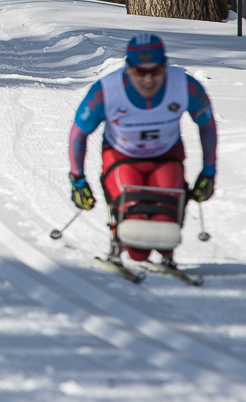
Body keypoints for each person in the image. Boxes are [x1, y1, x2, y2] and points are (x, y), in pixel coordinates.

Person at [66, 33, 217, 267]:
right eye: (140, 72)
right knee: (136, 242)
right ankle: (118, 242)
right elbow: (78, 134)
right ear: (128, 69)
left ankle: (167, 255)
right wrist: (77, 180)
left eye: (156, 71)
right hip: (122, 157)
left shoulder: (185, 85)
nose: (148, 80)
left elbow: (206, 125)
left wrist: (209, 172)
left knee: (166, 233)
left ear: (165, 66)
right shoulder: (106, 90)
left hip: (166, 156)